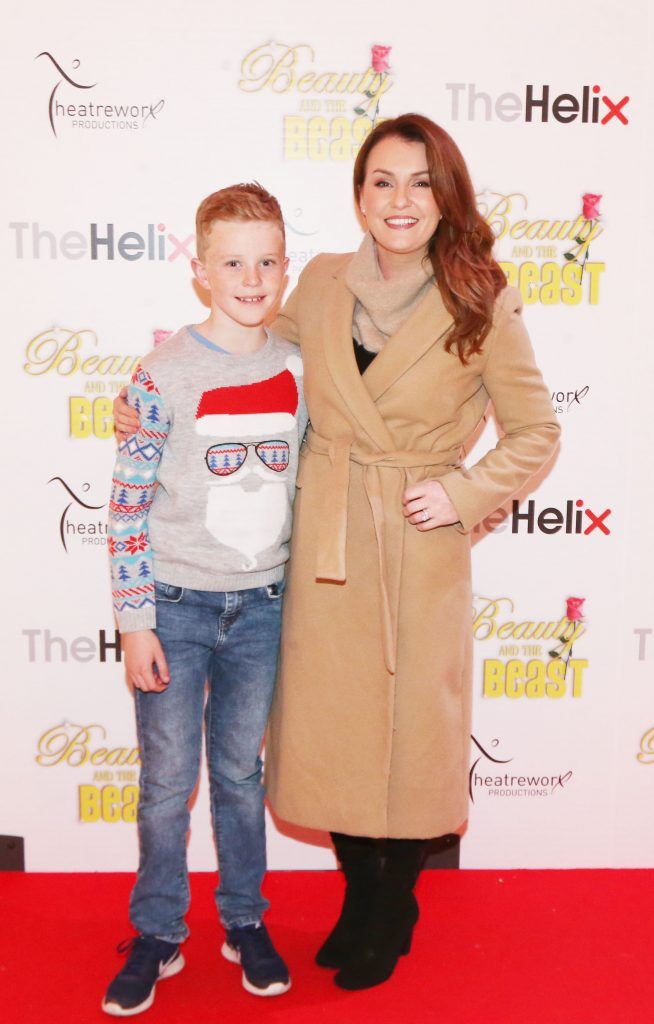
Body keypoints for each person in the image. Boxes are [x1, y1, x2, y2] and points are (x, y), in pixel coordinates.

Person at [114, 114, 560, 992]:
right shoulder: (317, 282)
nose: (400, 200)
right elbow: (245, 335)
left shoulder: (482, 294)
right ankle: (359, 894)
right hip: (322, 540)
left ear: (447, 196)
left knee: (409, 737)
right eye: (383, 181)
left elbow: (536, 431)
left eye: (421, 182)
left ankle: (391, 905)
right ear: (358, 194)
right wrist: (151, 394)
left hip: (418, 542)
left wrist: (464, 493)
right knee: (334, 732)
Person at [103, 183, 306, 1015]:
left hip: (263, 606)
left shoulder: (299, 364)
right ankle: (158, 931)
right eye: (233, 262)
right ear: (201, 271)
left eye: (266, 261)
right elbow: (125, 503)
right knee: (166, 780)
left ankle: (245, 918)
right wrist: (135, 621)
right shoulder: (161, 373)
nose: (251, 277)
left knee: (238, 773)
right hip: (177, 610)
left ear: (285, 268)